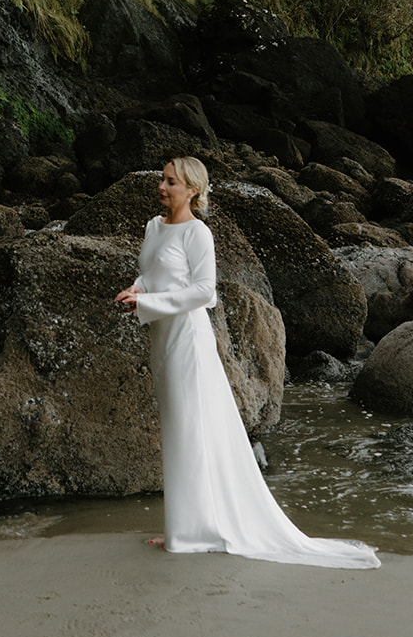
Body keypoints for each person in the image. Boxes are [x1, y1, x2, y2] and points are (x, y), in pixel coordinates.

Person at [115, 157, 380, 568]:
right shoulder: (153, 227)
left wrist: (147, 301)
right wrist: (136, 290)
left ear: (192, 190)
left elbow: (204, 293)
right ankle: (183, 527)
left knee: (192, 430)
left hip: (187, 340)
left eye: (171, 182)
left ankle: (190, 534)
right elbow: (152, 274)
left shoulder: (198, 234)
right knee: (176, 430)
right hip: (160, 339)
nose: (162, 187)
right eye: (162, 180)